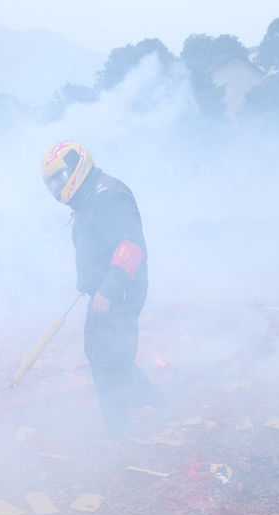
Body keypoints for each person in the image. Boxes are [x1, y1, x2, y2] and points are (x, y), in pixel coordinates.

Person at [40, 140, 161, 439]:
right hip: (103, 292)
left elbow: (131, 246)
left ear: (76, 165)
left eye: (59, 178)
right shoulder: (87, 197)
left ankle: (116, 434)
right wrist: (92, 285)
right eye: (52, 182)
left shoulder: (109, 195)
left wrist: (109, 287)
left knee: (109, 364)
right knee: (101, 354)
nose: (57, 187)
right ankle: (156, 404)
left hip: (120, 291)